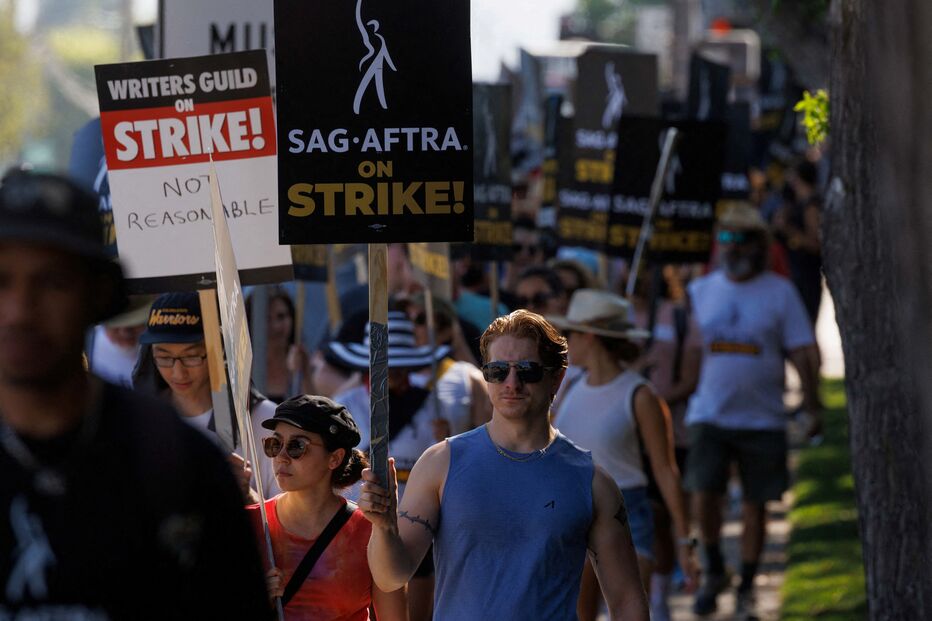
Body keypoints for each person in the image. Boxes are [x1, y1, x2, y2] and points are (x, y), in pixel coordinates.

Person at [0, 170, 271, 618]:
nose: (20, 310)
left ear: (99, 293)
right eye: (2, 281)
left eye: (52, 282)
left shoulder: (180, 464)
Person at [359, 309, 651, 620]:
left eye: (527, 370)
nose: (511, 383)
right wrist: (384, 525)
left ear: (557, 377)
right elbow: (391, 577)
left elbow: (627, 600)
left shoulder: (592, 482)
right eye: (498, 370)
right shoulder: (440, 463)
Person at [685, 204, 822, 618]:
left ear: (760, 246)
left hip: (762, 418)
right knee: (703, 493)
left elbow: (802, 350)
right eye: (725, 238)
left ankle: (746, 585)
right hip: (709, 413)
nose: (733, 247)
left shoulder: (779, 292)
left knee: (756, 504)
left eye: (742, 239)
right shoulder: (702, 290)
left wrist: (813, 402)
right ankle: (713, 568)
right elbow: (688, 353)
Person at [550, 289, 698, 620]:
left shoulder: (640, 394)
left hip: (626, 512)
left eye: (570, 333)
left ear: (590, 335)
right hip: (574, 510)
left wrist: (685, 541)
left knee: (630, 612)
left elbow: (665, 470)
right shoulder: (569, 388)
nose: (566, 341)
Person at [252, 395, 406, 620]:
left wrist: (387, 527)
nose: (281, 457)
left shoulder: (370, 530)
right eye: (275, 444)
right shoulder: (248, 524)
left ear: (335, 458)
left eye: (297, 446)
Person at [133, 291, 280, 500]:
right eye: (164, 357)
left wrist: (248, 498)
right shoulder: (140, 421)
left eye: (192, 357)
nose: (178, 372)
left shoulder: (265, 422)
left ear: (219, 351)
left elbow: (290, 524)